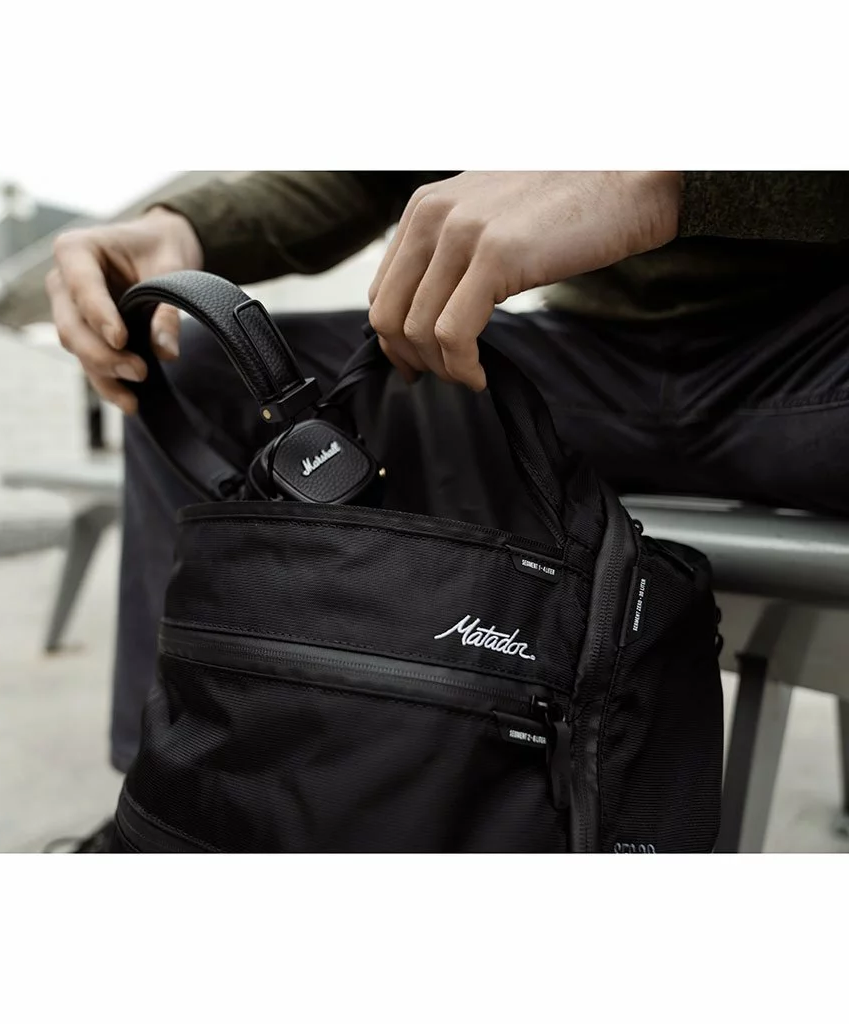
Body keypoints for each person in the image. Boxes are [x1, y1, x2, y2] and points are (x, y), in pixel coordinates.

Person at [45, 171, 849, 850]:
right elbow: (362, 176)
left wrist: (668, 182)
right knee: (197, 369)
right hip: (586, 353)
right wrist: (183, 225)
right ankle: (171, 806)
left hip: (819, 343)